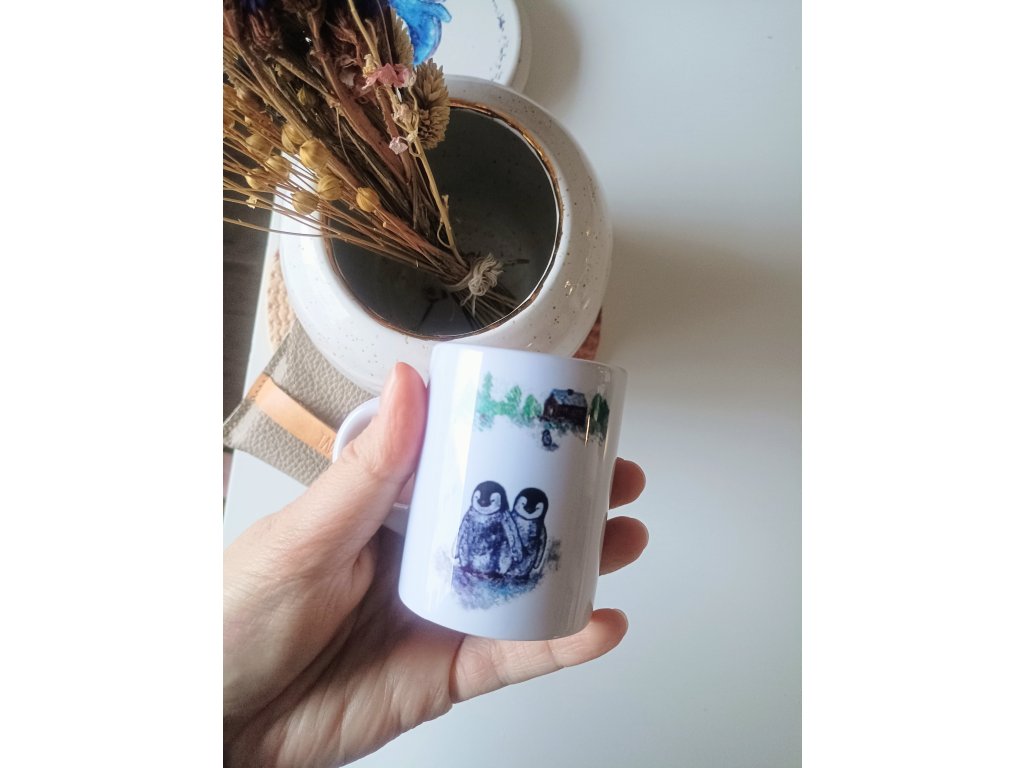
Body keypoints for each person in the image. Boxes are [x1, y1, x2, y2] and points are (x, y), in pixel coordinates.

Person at [224, 364, 649, 767]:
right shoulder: (479, 515)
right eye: (494, 500)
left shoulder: (523, 521)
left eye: (515, 504)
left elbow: (528, 545)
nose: (504, 507)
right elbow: (466, 537)